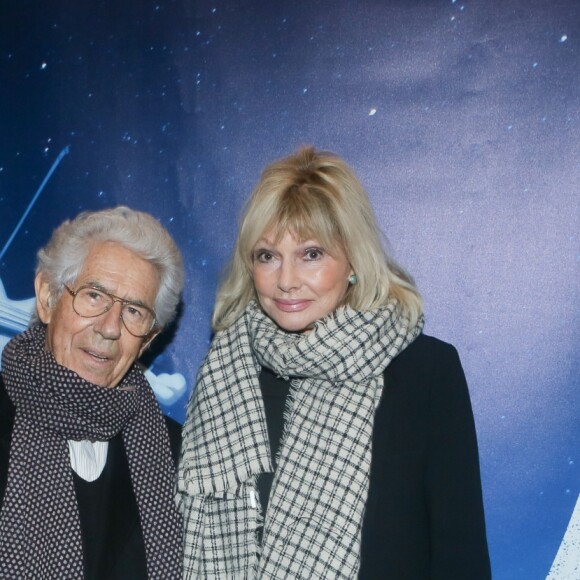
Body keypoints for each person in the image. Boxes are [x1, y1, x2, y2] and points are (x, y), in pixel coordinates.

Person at [178, 146, 491, 579]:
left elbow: (462, 555)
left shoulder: (425, 371)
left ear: (353, 261)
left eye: (311, 254)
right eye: (267, 256)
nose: (286, 281)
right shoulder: (228, 371)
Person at [0, 206, 184, 579]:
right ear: (48, 298)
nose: (109, 327)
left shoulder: (175, 454)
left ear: (148, 338)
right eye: (94, 296)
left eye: (133, 311)